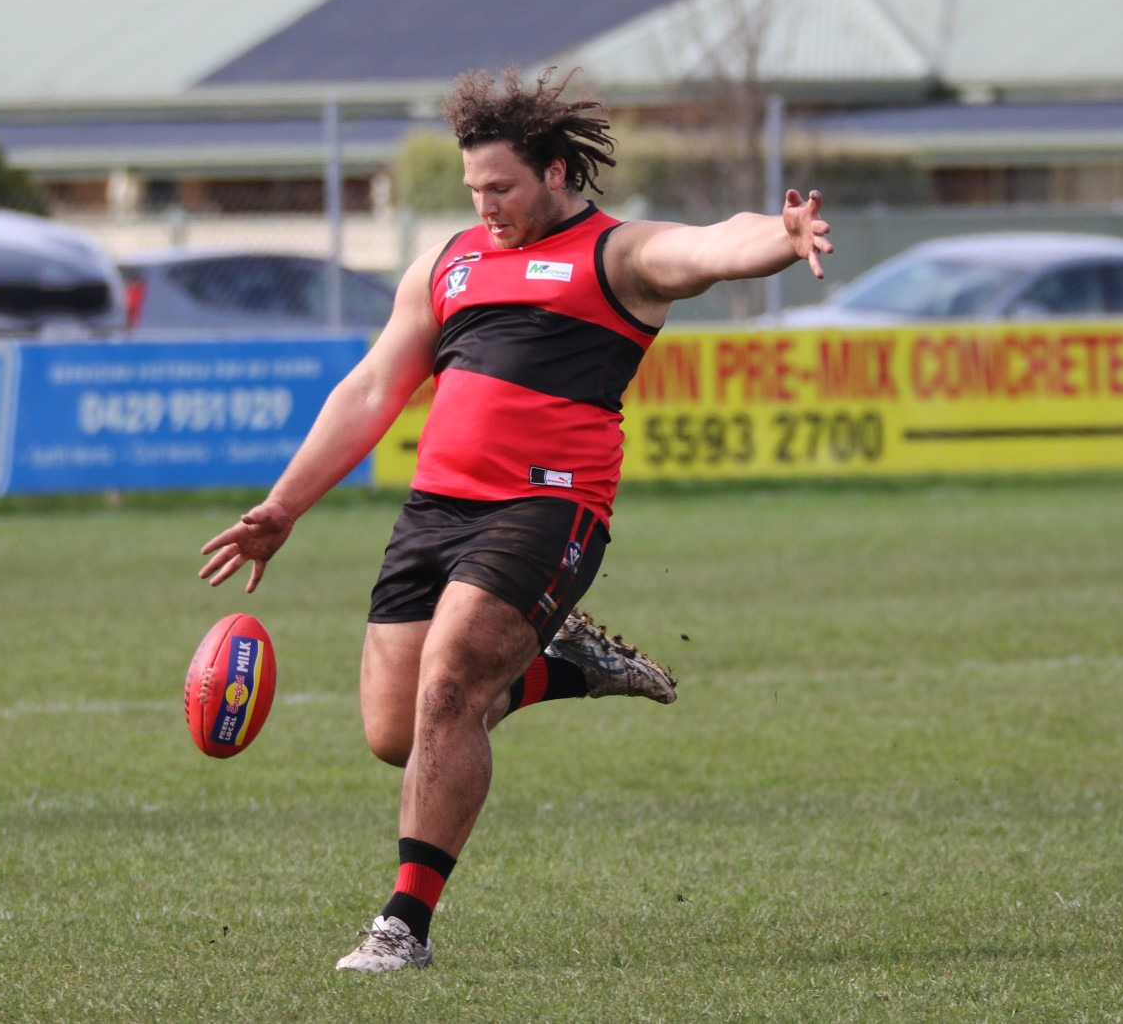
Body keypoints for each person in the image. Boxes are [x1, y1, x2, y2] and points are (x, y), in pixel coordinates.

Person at [198, 68, 832, 973]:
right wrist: (284, 504)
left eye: (503, 187)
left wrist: (780, 234)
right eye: (474, 190)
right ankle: (559, 663)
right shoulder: (448, 263)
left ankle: (401, 926)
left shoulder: (615, 257)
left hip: (547, 505)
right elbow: (375, 385)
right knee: (396, 730)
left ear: (560, 172)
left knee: (450, 683)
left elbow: (706, 246)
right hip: (435, 511)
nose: (486, 206)